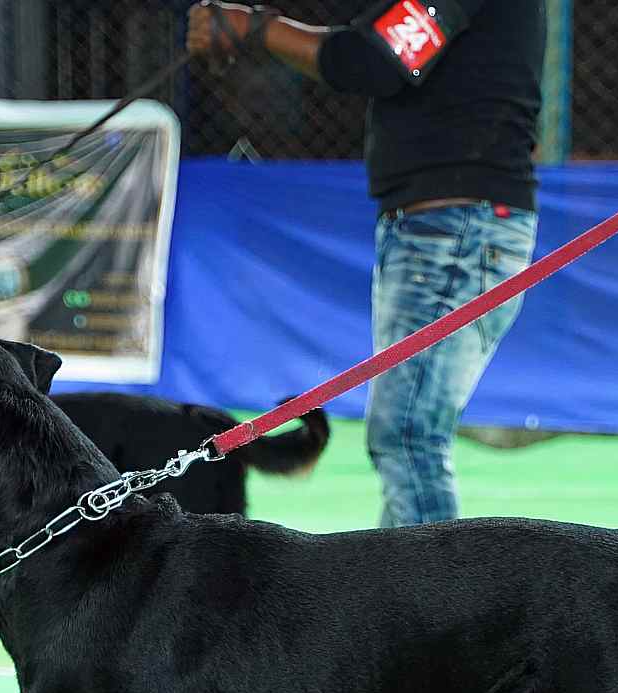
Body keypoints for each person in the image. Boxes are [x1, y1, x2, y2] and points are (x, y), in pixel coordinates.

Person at [187, 0, 544, 526]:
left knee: (409, 434)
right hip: (449, 224)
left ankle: (429, 583)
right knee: (409, 433)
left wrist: (255, 27)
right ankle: (414, 578)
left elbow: (371, 61)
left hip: (454, 227)